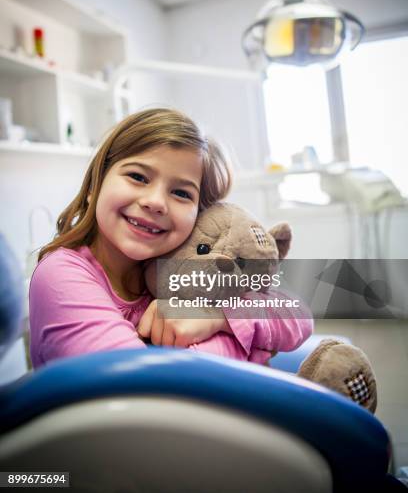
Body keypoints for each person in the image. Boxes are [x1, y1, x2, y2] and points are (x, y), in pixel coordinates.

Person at [29, 108, 313, 368]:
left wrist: (217, 319)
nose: (156, 202)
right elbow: (143, 384)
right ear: (95, 184)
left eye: (181, 193)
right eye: (138, 177)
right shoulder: (61, 274)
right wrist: (244, 341)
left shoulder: (176, 267)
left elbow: (297, 315)